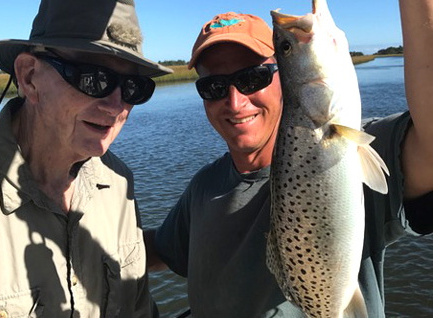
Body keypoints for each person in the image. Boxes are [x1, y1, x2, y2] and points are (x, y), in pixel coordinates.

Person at [145, 1, 433, 317]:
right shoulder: (204, 186)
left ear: (282, 79)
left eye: (252, 78)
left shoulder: (360, 146)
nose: (235, 101)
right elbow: (160, 250)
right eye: (213, 86)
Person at [0, 0, 171, 317]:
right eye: (93, 78)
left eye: (134, 87)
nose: (115, 106)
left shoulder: (119, 182)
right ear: (29, 78)